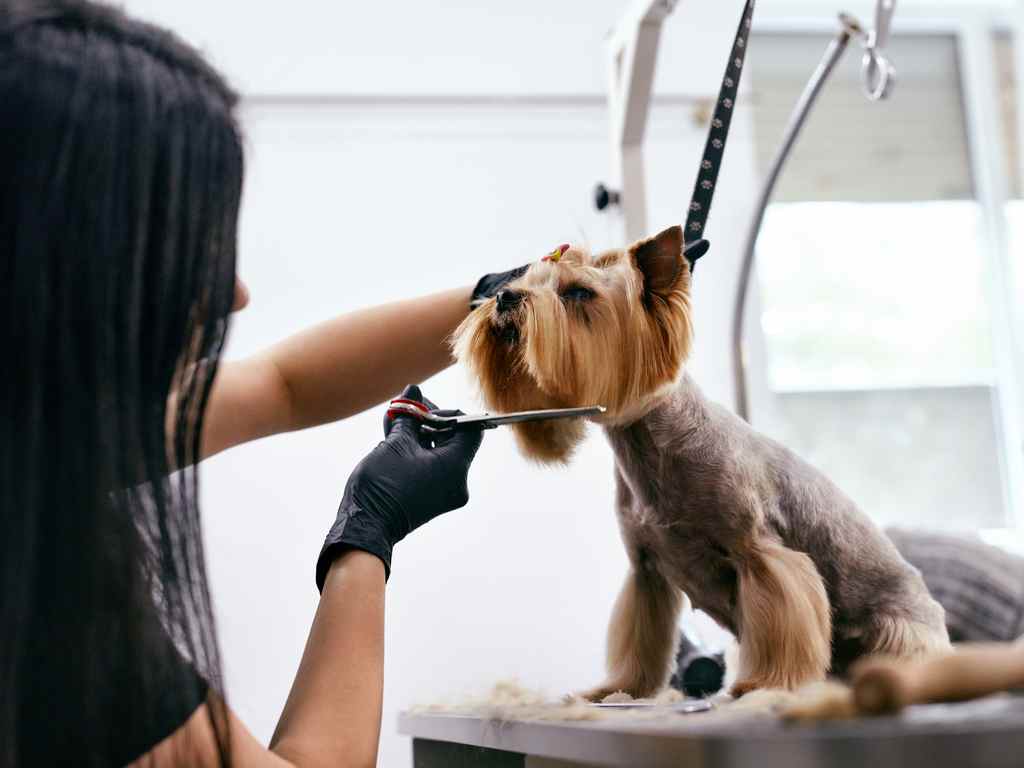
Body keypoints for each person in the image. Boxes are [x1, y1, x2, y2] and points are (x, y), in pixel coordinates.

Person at [0, 2, 525, 765]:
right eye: (187, 249)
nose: (233, 294)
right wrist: (364, 538)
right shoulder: (50, 596)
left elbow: (283, 385)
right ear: (76, 267)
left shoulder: (39, 419)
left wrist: (492, 297)